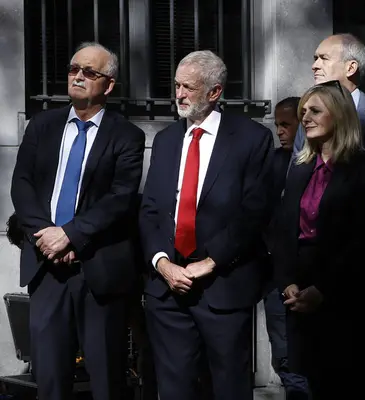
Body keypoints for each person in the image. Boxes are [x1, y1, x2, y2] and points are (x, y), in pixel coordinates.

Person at [10, 42, 145, 400]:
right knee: (50, 381)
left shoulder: (127, 135)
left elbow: (120, 198)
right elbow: (22, 186)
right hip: (46, 268)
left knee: (106, 381)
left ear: (109, 84)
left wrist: (69, 236)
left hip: (97, 269)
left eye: (90, 72)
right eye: (73, 70)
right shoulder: (43, 125)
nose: (79, 77)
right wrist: (47, 239)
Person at [139, 50, 274, 400]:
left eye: (188, 87)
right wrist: (162, 263)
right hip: (168, 289)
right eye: (176, 86)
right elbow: (151, 209)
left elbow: (253, 212)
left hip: (223, 287)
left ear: (214, 92)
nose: (179, 94)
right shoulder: (168, 139)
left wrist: (210, 261)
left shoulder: (251, 138)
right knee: (173, 390)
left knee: (228, 388)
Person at [293, 33, 365, 396]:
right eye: (313, 57)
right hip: (313, 271)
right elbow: (297, 187)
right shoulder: (308, 116)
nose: (314, 64)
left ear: (351, 66)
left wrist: (360, 248)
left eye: (323, 58)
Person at [274, 80, 365, 399]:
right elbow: (284, 228)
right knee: (311, 383)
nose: (306, 118)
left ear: (338, 115)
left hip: (343, 293)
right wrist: (286, 281)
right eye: (303, 112)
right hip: (299, 290)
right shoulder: (300, 167)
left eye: (314, 110)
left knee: (346, 384)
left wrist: (324, 289)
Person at [262, 96, 310, 399]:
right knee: (283, 353)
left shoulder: (315, 163)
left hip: (309, 272)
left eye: (286, 125)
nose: (279, 131)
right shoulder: (274, 161)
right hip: (276, 273)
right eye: (276, 125)